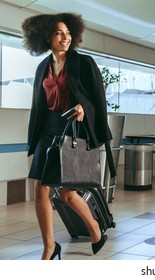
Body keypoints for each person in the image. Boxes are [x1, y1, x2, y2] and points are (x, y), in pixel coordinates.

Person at [22, 13, 114, 260]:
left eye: (68, 33)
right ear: (47, 38)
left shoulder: (84, 63)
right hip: (47, 131)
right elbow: (39, 106)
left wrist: (84, 107)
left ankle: (95, 228)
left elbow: (98, 102)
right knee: (40, 189)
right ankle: (50, 246)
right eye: (59, 33)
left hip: (72, 130)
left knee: (67, 194)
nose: (65, 38)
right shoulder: (42, 67)